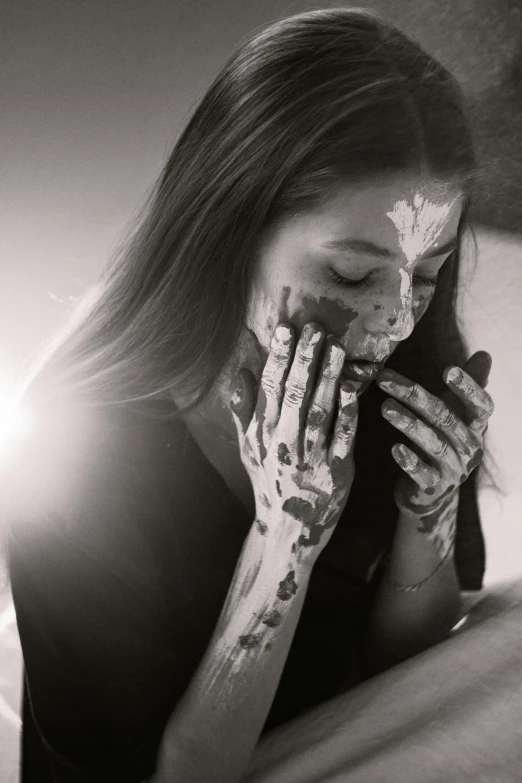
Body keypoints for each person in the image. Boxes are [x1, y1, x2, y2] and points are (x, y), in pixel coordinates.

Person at [3, 7, 521, 783]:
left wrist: (428, 520)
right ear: (230, 231)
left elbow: (399, 683)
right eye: (349, 274)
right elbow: (175, 775)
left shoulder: (401, 363)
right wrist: (284, 541)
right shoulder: (75, 452)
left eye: (425, 271)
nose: (396, 317)